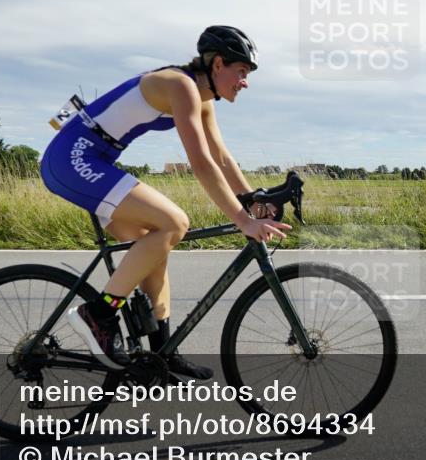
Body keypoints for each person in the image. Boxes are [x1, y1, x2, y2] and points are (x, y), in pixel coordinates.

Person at [39, 25, 291, 378]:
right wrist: (242, 220)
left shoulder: (201, 99)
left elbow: (220, 157)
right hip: (73, 157)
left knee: (158, 241)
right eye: (242, 72)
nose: (245, 82)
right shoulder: (180, 85)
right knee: (175, 222)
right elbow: (200, 162)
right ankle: (98, 314)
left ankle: (162, 356)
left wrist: (251, 201)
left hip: (93, 159)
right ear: (218, 64)